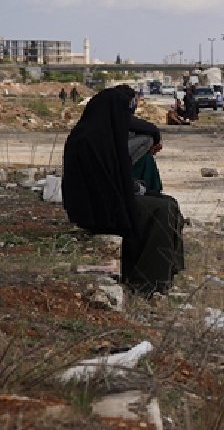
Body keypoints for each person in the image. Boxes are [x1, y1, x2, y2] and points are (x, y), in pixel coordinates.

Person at [61, 85, 184, 295]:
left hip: (108, 200)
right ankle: (146, 282)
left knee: (168, 202)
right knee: (161, 211)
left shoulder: (98, 134)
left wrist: (137, 189)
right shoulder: (91, 140)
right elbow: (106, 184)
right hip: (98, 208)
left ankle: (167, 271)